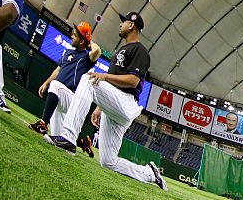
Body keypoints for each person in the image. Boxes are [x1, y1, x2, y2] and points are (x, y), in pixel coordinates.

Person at [45, 11, 166, 190]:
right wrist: (100, 107)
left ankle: (68, 138)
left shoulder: (139, 50)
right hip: (115, 104)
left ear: (131, 25)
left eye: (123, 22)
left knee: (89, 79)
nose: (120, 24)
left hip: (127, 103)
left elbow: (133, 81)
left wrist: (104, 76)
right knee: (108, 161)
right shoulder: (121, 51)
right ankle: (150, 174)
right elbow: (112, 86)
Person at [29, 23, 101, 149]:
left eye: (75, 35)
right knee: (57, 139)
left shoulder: (85, 58)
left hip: (71, 98)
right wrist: (46, 83)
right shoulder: (68, 52)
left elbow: (97, 51)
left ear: (82, 41)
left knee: (55, 85)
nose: (72, 36)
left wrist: (90, 42)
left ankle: (42, 123)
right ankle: (83, 144)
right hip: (60, 98)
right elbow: (58, 70)